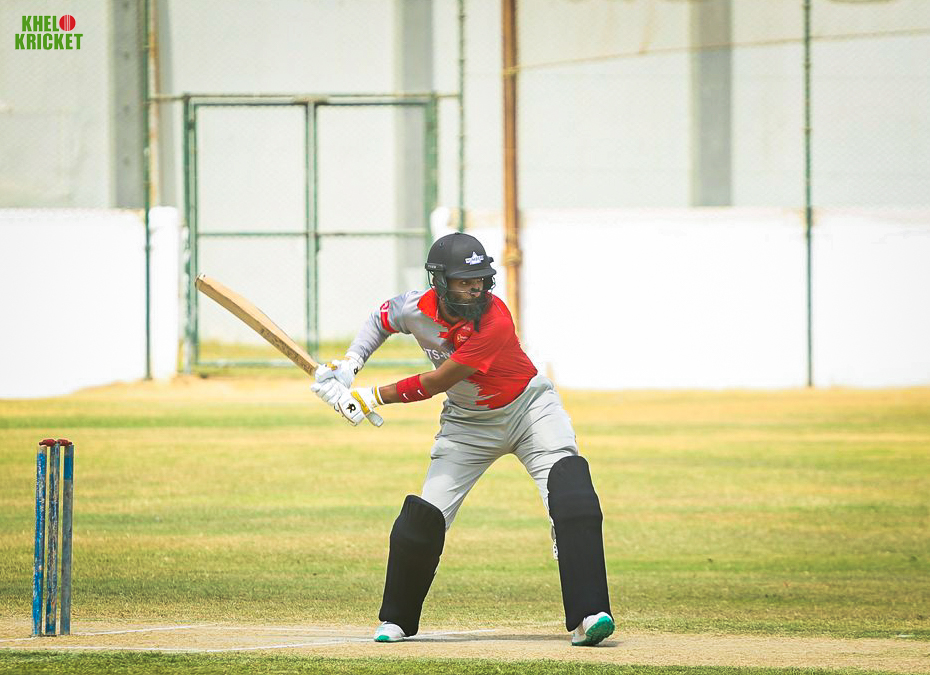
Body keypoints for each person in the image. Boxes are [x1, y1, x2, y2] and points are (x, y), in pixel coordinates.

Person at [311, 232, 614, 647]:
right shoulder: (414, 307)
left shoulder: (495, 320)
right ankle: (396, 619)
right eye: (464, 281)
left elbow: (439, 380)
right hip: (467, 425)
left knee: (572, 495)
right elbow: (380, 320)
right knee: (424, 517)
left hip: (531, 410)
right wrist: (350, 364)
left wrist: (370, 397)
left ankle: (589, 614)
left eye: (480, 280)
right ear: (439, 281)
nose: (476, 289)